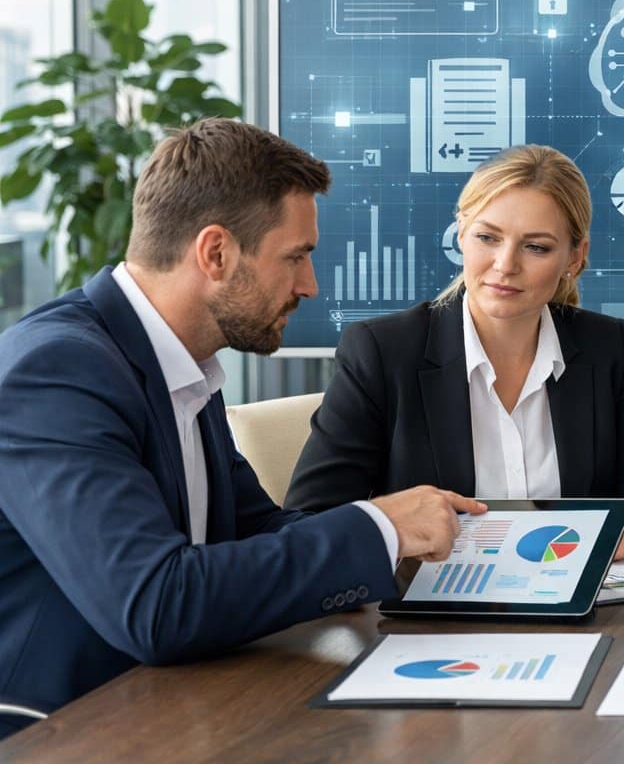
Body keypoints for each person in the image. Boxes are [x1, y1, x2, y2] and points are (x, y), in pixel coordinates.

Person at [0, 119, 483, 737]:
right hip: (64, 730)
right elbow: (156, 605)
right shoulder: (57, 372)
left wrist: (397, 550)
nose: (309, 285)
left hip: (171, 705)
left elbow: (251, 527)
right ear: (216, 253)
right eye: (297, 257)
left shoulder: (178, 363)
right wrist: (378, 528)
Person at [285, 145, 624, 555]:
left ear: (575, 256)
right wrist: (393, 530)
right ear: (461, 232)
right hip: (433, 609)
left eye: (536, 247)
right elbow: (314, 518)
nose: (505, 264)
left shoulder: (604, 347)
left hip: (578, 605)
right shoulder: (382, 351)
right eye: (487, 237)